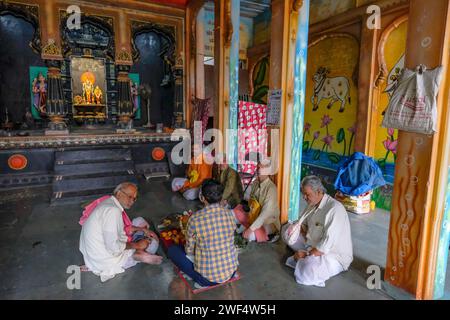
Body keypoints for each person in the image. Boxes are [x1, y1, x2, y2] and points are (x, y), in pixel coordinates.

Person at [79, 182, 162, 282]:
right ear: (118, 194)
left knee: (139, 221)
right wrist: (138, 245)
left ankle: (137, 252)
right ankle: (135, 255)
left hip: (92, 258)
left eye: (134, 198)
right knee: (154, 242)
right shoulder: (113, 211)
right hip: (105, 261)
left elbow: (119, 230)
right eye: (129, 196)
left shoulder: (108, 202)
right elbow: (113, 247)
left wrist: (142, 229)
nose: (132, 201)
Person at [282, 175, 353, 287]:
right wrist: (295, 228)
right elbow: (302, 224)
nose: (304, 197)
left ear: (319, 191)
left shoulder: (334, 209)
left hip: (332, 256)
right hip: (312, 245)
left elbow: (326, 246)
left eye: (307, 194)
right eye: (303, 194)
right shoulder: (312, 203)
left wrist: (306, 255)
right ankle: (302, 257)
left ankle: (300, 258)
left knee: (307, 273)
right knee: (286, 231)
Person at [167, 179, 238, 288]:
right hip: (231, 272)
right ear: (221, 197)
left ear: (202, 198)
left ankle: (199, 279)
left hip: (207, 279)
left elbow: (189, 250)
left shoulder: (195, 219)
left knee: (173, 250)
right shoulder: (230, 214)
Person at [234, 160, 281, 242]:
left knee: (249, 235)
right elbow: (251, 203)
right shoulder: (255, 183)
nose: (259, 170)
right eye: (258, 167)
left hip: (268, 222)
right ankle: (245, 228)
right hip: (253, 216)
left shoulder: (271, 189)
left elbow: (265, 214)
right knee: (233, 214)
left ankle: (271, 234)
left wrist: (250, 229)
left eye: (262, 168)